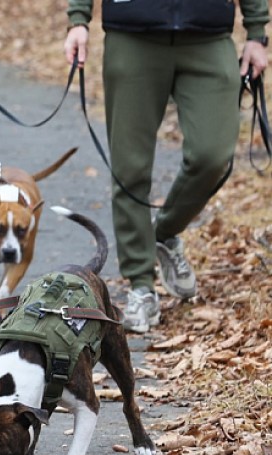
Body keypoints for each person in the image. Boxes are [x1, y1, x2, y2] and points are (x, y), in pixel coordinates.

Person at [64, 0, 269, 333]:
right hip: (132, 35)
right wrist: (78, 20)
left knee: (212, 155)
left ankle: (164, 232)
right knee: (130, 170)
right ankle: (141, 286)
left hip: (208, 36)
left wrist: (257, 31)